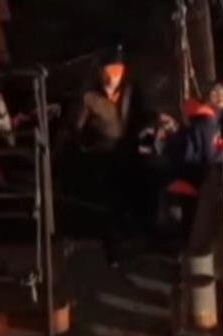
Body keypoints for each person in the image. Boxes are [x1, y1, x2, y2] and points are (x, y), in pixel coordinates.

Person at [63, 47, 158, 262]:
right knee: (110, 206)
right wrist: (87, 146)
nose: (112, 77)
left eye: (117, 71)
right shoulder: (89, 97)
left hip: (129, 154)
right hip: (103, 158)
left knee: (138, 194)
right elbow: (75, 128)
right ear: (100, 72)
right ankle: (112, 248)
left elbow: (143, 114)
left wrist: (151, 124)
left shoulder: (131, 91)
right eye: (108, 71)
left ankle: (142, 240)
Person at [157, 81, 223, 245]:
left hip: (177, 172)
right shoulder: (208, 122)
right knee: (179, 230)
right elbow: (209, 154)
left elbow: (206, 142)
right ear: (221, 101)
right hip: (185, 180)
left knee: (173, 226)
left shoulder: (201, 117)